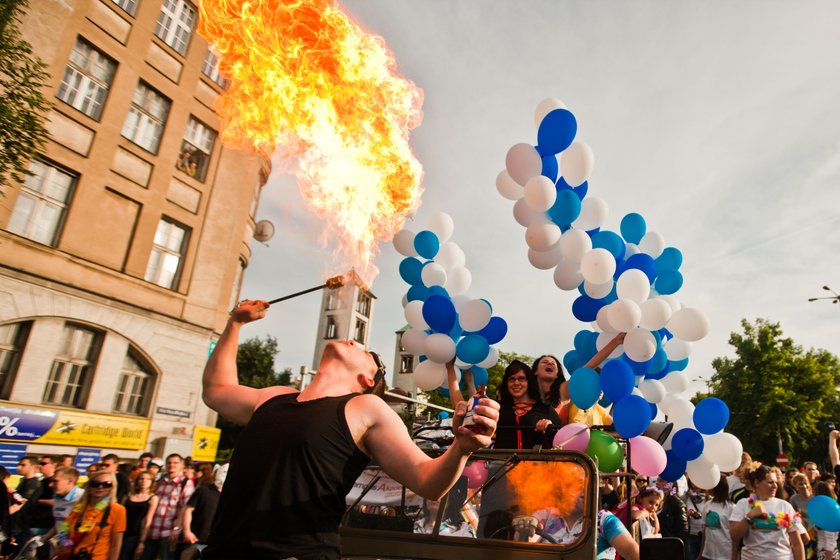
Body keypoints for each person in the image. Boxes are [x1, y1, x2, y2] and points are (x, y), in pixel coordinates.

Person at [200, 300, 499, 560]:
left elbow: (427, 481)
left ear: (367, 380)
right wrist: (235, 324)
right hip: (222, 552)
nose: (354, 341)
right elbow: (216, 390)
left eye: (369, 353)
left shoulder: (365, 407)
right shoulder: (275, 395)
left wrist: (461, 448)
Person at [730, 463, 805, 560]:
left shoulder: (785, 505)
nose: (775, 486)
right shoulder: (743, 504)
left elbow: (797, 544)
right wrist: (749, 516)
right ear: (757, 483)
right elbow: (734, 536)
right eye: (770, 482)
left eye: (776, 482)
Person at [52, 470, 127, 560]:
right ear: (89, 486)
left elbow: (116, 545)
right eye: (95, 484)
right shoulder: (79, 507)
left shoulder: (117, 510)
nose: (100, 487)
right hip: (71, 556)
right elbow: (65, 529)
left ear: (112, 487)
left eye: (106, 484)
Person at [494, 360, 561, 450]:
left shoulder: (546, 409)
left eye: (521, 379)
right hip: (500, 462)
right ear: (506, 383)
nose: (516, 383)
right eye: (512, 379)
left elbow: (561, 442)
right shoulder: (497, 409)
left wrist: (550, 428)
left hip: (537, 463)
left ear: (529, 382)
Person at [140, 454, 194, 560]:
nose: (171, 465)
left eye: (175, 463)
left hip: (169, 533)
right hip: (152, 531)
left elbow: (185, 508)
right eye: (169, 463)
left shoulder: (185, 483)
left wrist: (177, 528)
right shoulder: (159, 481)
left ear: (182, 465)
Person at [180, 464, 227, 560]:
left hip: (214, 542)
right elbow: (188, 509)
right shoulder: (203, 490)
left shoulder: (229, 496)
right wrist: (187, 531)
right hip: (195, 539)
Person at [119, 470, 157, 560]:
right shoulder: (128, 496)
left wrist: (142, 541)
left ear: (152, 482)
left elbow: (148, 519)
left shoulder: (153, 498)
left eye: (148, 479)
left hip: (135, 534)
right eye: (141, 479)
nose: (144, 481)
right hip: (121, 530)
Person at [696, 475, 732, 560]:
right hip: (708, 554)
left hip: (725, 554)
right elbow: (705, 531)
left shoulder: (731, 508)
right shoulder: (707, 505)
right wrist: (701, 553)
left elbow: (734, 534)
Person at [812, 481, 838, 560]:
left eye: (813, 492)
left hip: (828, 554)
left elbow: (830, 540)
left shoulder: (828, 513)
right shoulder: (823, 511)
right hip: (825, 552)